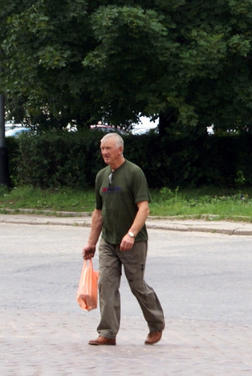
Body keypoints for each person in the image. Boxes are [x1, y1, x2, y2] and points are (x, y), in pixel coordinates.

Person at [82, 133, 165, 346]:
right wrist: (91, 242)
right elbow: (98, 212)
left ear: (120, 149)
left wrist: (131, 234)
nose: (104, 153)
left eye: (108, 148)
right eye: (102, 149)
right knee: (105, 284)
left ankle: (156, 324)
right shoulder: (101, 176)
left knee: (137, 285)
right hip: (108, 242)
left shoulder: (134, 173)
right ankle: (108, 333)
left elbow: (143, 208)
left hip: (133, 243)